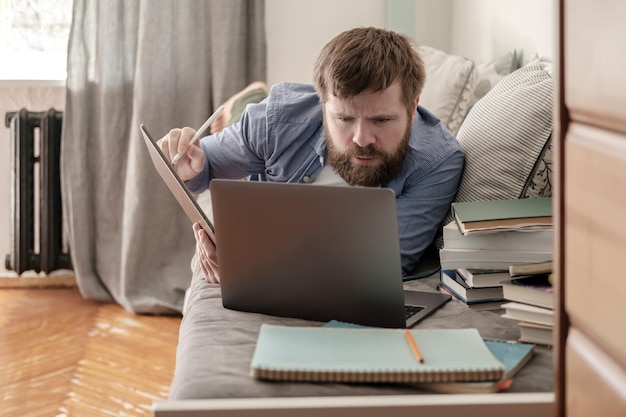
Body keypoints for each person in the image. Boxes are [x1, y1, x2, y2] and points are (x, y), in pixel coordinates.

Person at [158, 27, 464, 284]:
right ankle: (247, 99)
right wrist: (188, 165)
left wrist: (248, 266)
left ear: (412, 109)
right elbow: (206, 165)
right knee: (245, 117)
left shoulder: (437, 160)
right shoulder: (279, 116)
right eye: (344, 119)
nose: (361, 139)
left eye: (381, 120)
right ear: (323, 106)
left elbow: (385, 265)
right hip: (267, 132)